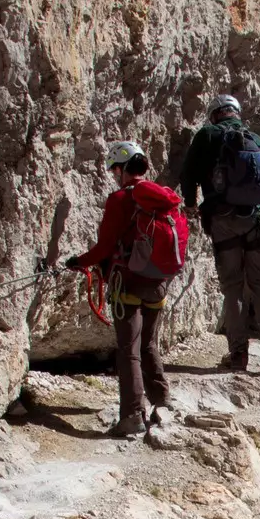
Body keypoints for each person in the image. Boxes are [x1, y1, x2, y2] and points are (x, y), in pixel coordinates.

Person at [64, 141, 189, 436]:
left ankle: (132, 414)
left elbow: (106, 246)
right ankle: (161, 400)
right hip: (158, 282)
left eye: (115, 170)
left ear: (121, 169)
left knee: (128, 350)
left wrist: (78, 262)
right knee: (148, 344)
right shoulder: (162, 200)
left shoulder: (120, 199)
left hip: (127, 281)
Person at [179, 94, 260, 371]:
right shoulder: (254, 138)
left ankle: (238, 355)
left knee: (233, 287)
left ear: (214, 115)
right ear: (236, 113)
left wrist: (191, 205)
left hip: (222, 219)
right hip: (258, 219)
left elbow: (188, 173)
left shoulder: (207, 135)